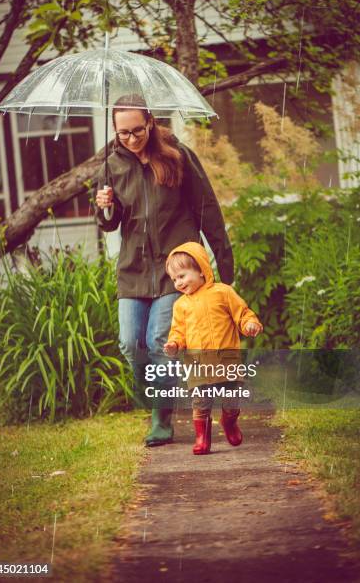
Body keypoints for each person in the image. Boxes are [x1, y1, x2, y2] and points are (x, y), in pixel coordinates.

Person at [95, 94, 233, 447]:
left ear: (151, 122)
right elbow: (110, 224)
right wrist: (106, 208)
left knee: (160, 341)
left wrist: (224, 262)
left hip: (178, 267)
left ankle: (161, 417)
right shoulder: (112, 165)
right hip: (134, 269)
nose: (130, 138)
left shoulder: (177, 155)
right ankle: (159, 399)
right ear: (115, 130)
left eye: (137, 130)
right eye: (123, 133)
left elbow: (207, 208)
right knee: (129, 344)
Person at [164, 241, 263, 455]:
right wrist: (174, 343)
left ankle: (229, 422)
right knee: (200, 402)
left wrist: (249, 324)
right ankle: (202, 438)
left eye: (182, 276)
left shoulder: (223, 292)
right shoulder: (180, 305)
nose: (178, 283)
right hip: (198, 365)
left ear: (201, 269)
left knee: (231, 400)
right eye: (174, 279)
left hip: (227, 362)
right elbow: (178, 331)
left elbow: (242, 313)